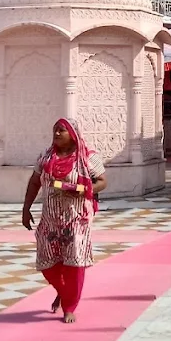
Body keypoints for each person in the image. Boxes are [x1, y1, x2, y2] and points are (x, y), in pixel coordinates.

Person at [20, 118, 106, 323]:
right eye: (55, 130)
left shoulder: (87, 157)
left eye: (61, 131)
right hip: (50, 218)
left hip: (78, 218)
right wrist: (26, 208)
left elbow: (102, 181)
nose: (57, 134)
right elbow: (34, 183)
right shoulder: (45, 157)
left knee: (74, 261)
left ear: (73, 134)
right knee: (47, 263)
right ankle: (63, 291)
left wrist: (82, 189)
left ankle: (69, 306)